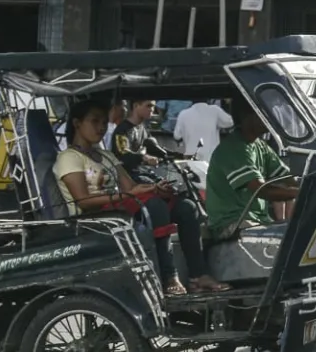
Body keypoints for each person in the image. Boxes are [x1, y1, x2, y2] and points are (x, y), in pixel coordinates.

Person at [53, 97, 215, 294]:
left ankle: (198, 276)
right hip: (95, 219)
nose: (101, 128)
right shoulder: (69, 158)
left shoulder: (106, 156)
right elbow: (84, 201)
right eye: (94, 121)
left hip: (119, 209)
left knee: (186, 207)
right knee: (156, 207)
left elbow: (130, 187)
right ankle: (168, 275)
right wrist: (133, 194)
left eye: (104, 122)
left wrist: (154, 188)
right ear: (77, 124)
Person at [204, 103, 299, 240]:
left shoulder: (260, 146)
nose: (269, 118)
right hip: (231, 222)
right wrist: (297, 193)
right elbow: (261, 190)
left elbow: (287, 177)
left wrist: (305, 187)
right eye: (262, 113)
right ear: (245, 116)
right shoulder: (232, 149)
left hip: (257, 219)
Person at [111, 99, 163, 172]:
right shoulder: (123, 129)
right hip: (125, 174)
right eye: (148, 106)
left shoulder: (142, 127)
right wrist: (143, 157)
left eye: (153, 106)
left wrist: (170, 154)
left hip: (140, 170)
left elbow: (151, 145)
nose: (152, 109)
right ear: (136, 106)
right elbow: (123, 153)